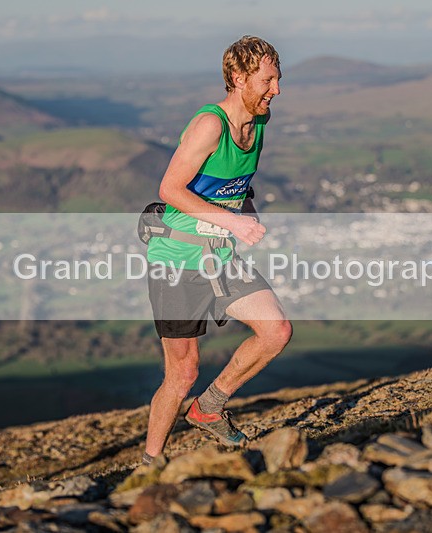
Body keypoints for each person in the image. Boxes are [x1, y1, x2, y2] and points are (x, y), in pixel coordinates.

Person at [143, 36, 292, 463]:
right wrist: (232, 221)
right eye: (267, 80)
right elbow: (170, 189)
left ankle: (209, 408)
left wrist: (246, 210)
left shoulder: (259, 122)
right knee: (182, 371)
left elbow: (233, 186)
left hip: (220, 255)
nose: (275, 90)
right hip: (177, 260)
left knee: (276, 331)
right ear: (238, 78)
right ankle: (151, 463)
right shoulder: (211, 125)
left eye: (278, 80)